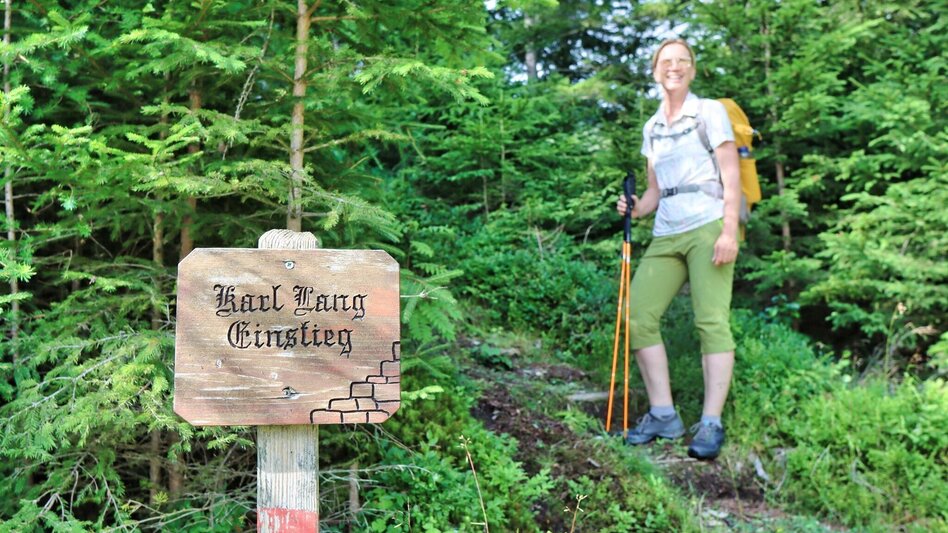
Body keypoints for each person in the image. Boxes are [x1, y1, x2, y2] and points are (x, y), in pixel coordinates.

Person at [615, 38, 740, 460]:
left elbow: (731, 174)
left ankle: (710, 422)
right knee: (638, 316)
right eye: (666, 61)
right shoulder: (652, 127)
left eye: (682, 61)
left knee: (711, 321)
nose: (674, 67)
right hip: (667, 230)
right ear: (655, 70)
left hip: (708, 225)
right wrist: (634, 207)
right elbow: (654, 194)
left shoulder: (709, 112)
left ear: (692, 69)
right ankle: (664, 414)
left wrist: (729, 231)